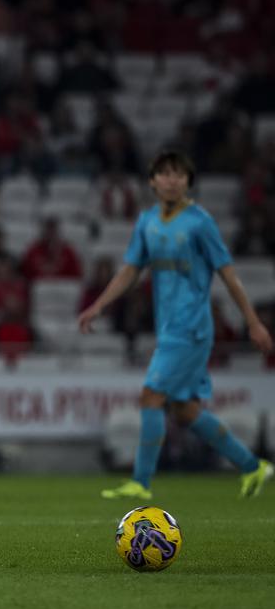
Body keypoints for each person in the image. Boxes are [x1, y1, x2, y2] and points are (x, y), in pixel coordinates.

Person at [78, 150, 273, 500]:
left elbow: (228, 274)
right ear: (152, 181)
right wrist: (99, 305)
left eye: (179, 174)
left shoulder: (200, 222)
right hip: (168, 328)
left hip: (192, 327)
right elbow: (129, 270)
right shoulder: (147, 222)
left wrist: (253, 322)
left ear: (188, 181)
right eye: (165, 174)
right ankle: (253, 465)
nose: (172, 180)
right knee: (184, 411)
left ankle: (140, 481)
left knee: (150, 396)